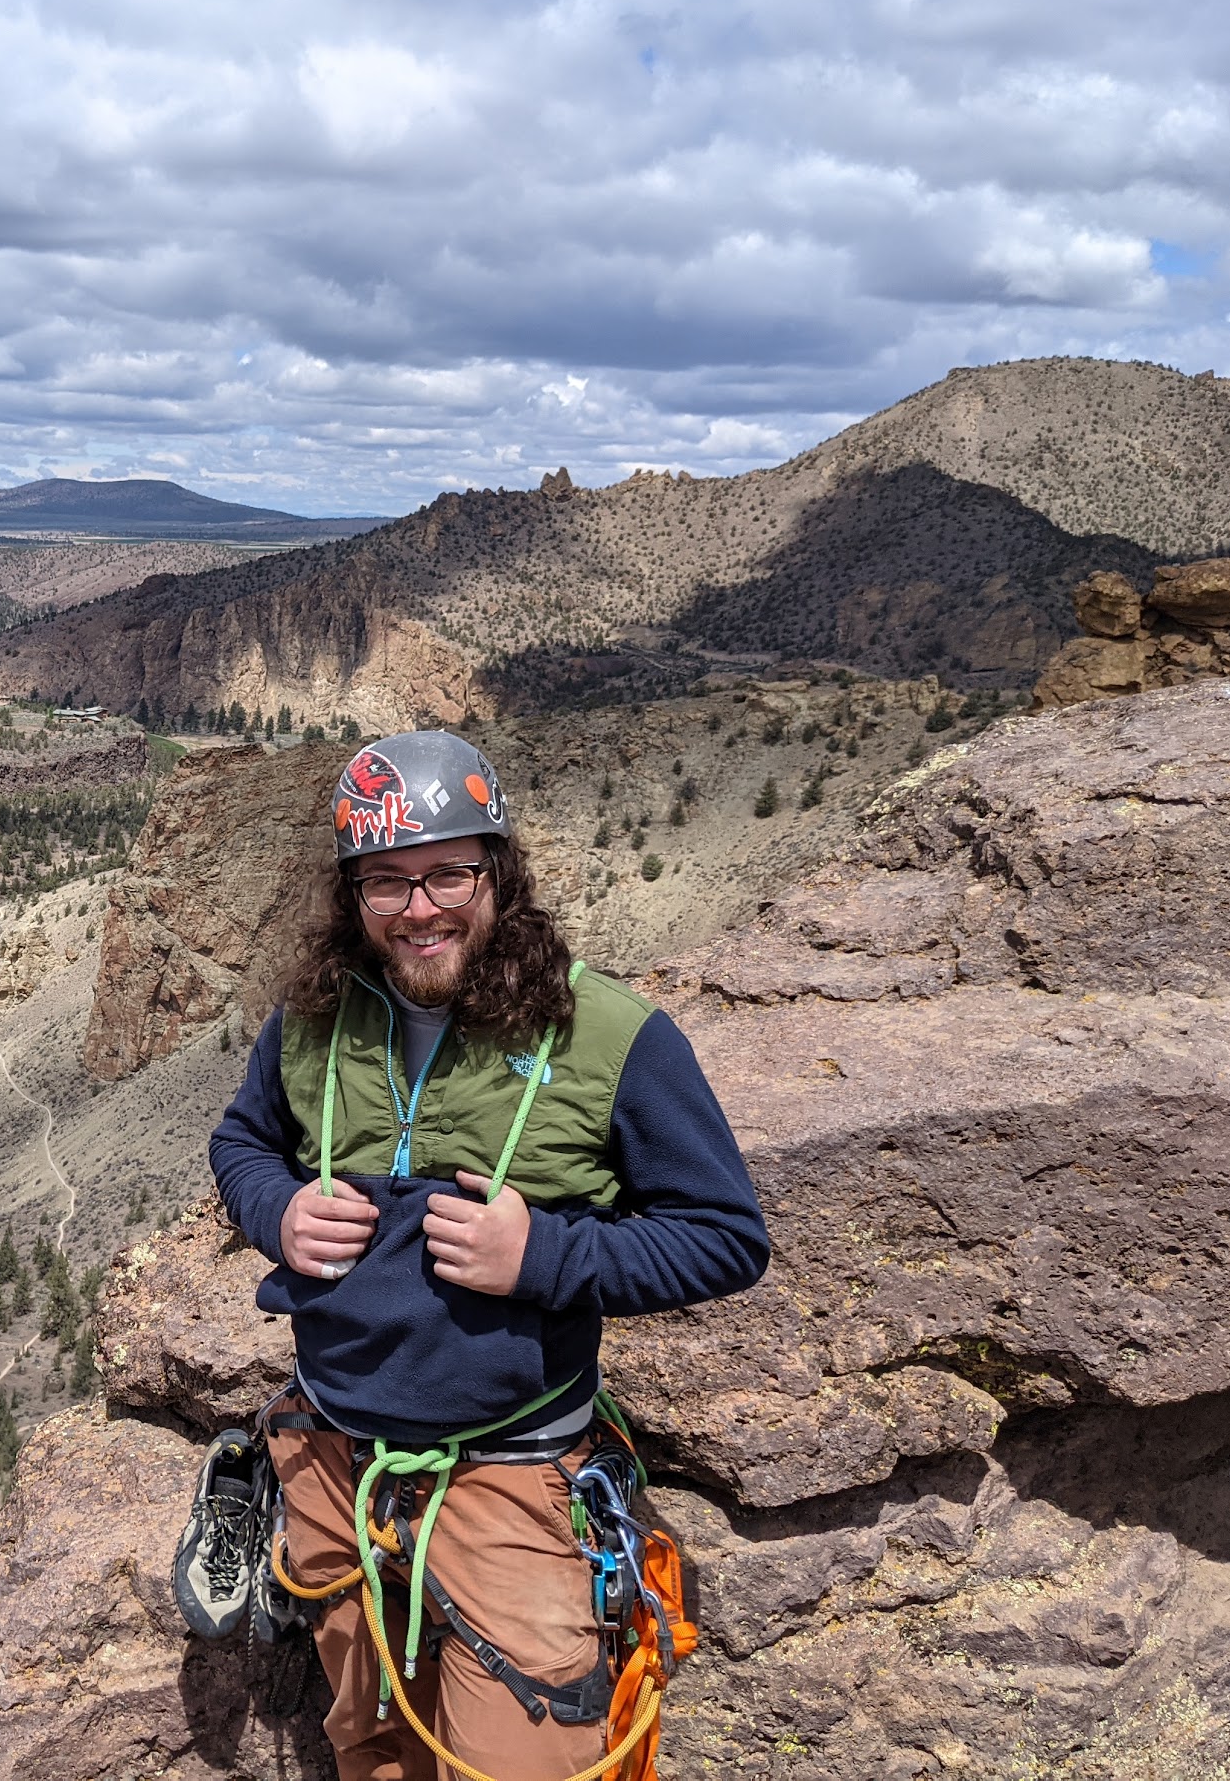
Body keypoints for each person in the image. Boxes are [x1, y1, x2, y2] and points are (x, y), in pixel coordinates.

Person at [207, 730, 770, 1781]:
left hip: (513, 1472)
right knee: (366, 1742)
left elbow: (725, 1236)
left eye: (448, 872)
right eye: (386, 880)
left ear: (497, 873)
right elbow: (242, 1139)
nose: (419, 907)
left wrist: (542, 1253)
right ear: (351, 894)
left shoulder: (607, 1034)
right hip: (333, 1461)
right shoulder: (313, 1019)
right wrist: (274, 1206)